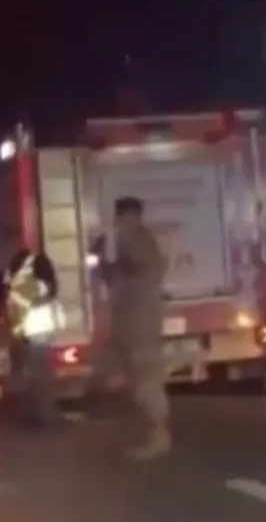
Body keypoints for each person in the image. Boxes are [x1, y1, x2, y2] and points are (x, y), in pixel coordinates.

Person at [89, 196, 172, 459]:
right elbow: (115, 276)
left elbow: (139, 267)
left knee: (145, 380)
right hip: (130, 322)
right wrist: (100, 257)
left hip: (139, 323)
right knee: (134, 379)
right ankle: (150, 433)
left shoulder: (134, 236)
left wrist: (108, 256)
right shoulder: (132, 237)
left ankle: (159, 436)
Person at [2, 249, 61, 427]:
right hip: (42, 329)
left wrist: (16, 329)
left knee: (34, 375)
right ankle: (45, 414)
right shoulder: (41, 283)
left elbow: (15, 307)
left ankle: (40, 414)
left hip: (30, 331)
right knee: (42, 374)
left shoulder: (23, 283)